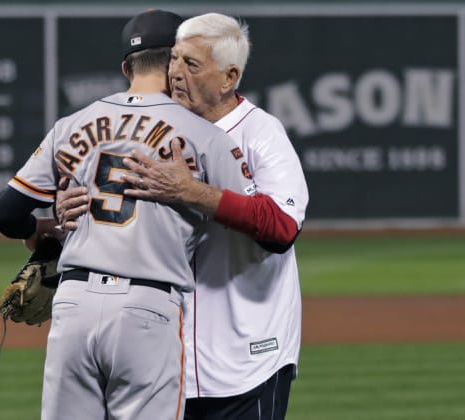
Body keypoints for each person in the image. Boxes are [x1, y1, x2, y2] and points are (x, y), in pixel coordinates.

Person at [0, 10, 256, 420]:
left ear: (125, 68)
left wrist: (43, 228)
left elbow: (6, 214)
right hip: (147, 309)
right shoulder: (204, 136)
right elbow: (250, 222)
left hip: (73, 305)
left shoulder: (71, 124)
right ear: (176, 63)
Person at [56, 13, 309, 420]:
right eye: (174, 59)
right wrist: (63, 215)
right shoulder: (150, 129)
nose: (175, 72)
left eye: (191, 64)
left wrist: (193, 192)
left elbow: (281, 227)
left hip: (245, 357)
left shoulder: (261, 133)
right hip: (160, 355)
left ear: (229, 78)